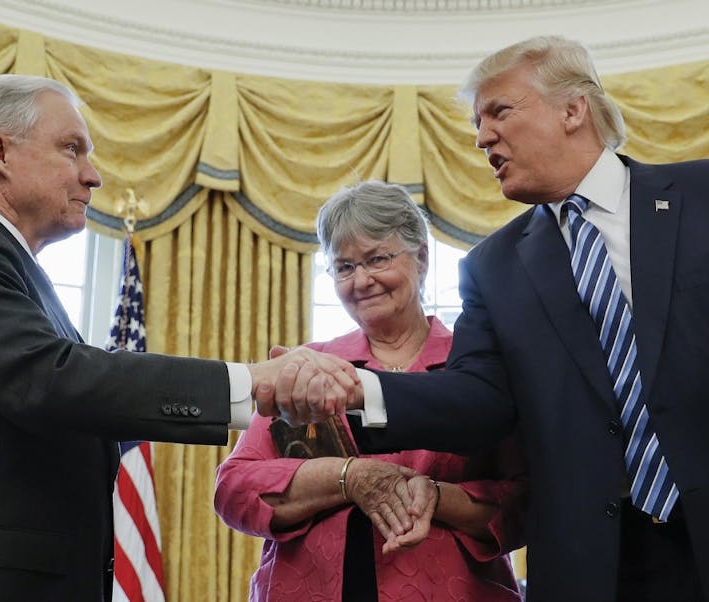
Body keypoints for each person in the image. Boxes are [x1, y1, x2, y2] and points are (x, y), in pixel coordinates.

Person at [261, 36, 709, 602]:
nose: (481, 138)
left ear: (574, 109)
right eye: (478, 122)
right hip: (596, 566)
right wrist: (355, 389)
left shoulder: (700, 196)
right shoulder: (494, 267)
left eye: (499, 112)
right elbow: (478, 401)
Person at [0, 74, 357, 602]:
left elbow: (69, 413)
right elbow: (48, 380)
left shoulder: (17, 271)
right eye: (72, 149)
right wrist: (251, 383)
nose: (92, 175)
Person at [215, 181, 527, 601]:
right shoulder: (308, 367)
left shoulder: (476, 366)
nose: (361, 281)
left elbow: (526, 501)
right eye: (344, 267)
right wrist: (348, 478)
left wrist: (438, 497)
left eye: (377, 259)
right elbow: (234, 490)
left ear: (422, 257)